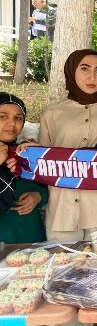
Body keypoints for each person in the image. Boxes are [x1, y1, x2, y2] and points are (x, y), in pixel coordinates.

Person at [33, 49, 97, 241]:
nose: (92, 76)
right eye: (85, 69)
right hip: (61, 212)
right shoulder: (52, 113)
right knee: (61, 268)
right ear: (71, 71)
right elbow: (40, 165)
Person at [0, 93, 47, 243]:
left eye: (18, 118)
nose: (12, 124)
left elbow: (45, 186)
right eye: (3, 116)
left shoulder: (24, 153)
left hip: (30, 236)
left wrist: (38, 197)